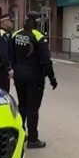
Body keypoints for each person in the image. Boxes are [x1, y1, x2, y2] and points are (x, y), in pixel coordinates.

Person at [11, 11, 57, 149]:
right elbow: (45, 61)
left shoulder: (16, 34)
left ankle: (20, 133)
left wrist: (16, 69)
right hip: (34, 77)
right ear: (36, 22)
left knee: (22, 106)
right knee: (32, 108)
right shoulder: (39, 36)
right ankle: (33, 139)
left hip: (19, 75)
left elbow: (11, 56)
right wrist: (52, 78)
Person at [0, 15, 14, 93]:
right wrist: (8, 68)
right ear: (4, 22)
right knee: (3, 92)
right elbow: (3, 53)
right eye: (11, 21)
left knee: (2, 90)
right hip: (1, 68)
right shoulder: (1, 34)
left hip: (0, 66)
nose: (12, 23)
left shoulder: (6, 33)